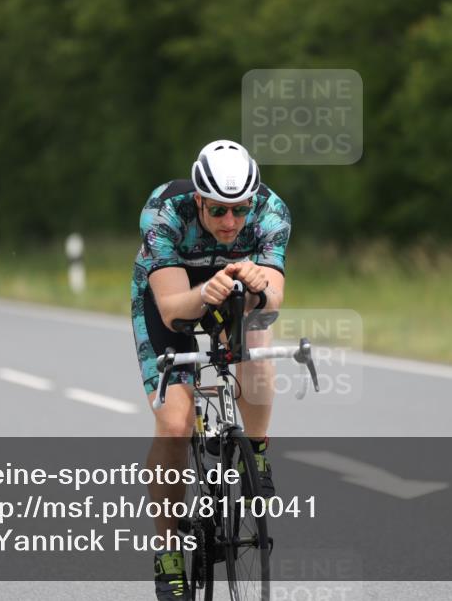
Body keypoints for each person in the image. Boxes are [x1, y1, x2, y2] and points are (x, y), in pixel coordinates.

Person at [131, 140, 290, 599]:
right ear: (199, 199)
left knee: (255, 339)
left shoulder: (272, 211)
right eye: (218, 210)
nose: (230, 222)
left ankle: (255, 451)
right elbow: (170, 311)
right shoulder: (164, 212)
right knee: (175, 425)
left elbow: (272, 303)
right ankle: (168, 551)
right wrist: (206, 292)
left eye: (240, 210)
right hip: (173, 294)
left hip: (233, 292)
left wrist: (259, 289)